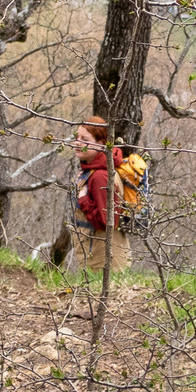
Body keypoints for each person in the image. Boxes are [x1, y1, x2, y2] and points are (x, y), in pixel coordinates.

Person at [65, 115, 145, 274]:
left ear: (101, 144)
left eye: (85, 139)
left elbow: (105, 221)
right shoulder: (93, 171)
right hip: (102, 257)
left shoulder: (100, 177)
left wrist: (83, 199)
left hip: (104, 261)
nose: (77, 143)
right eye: (77, 137)